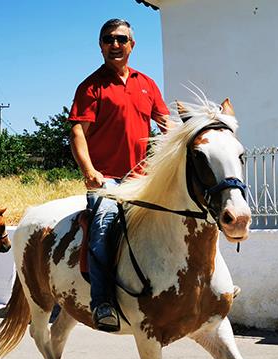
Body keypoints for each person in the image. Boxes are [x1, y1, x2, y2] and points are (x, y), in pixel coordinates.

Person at [68, 18, 169, 332]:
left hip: (142, 178)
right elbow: (77, 133)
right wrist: (90, 172)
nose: (115, 45)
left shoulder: (147, 84)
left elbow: (168, 126)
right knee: (102, 227)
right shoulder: (91, 86)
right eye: (108, 39)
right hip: (107, 180)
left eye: (121, 39)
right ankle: (102, 303)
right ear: (100, 45)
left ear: (132, 45)